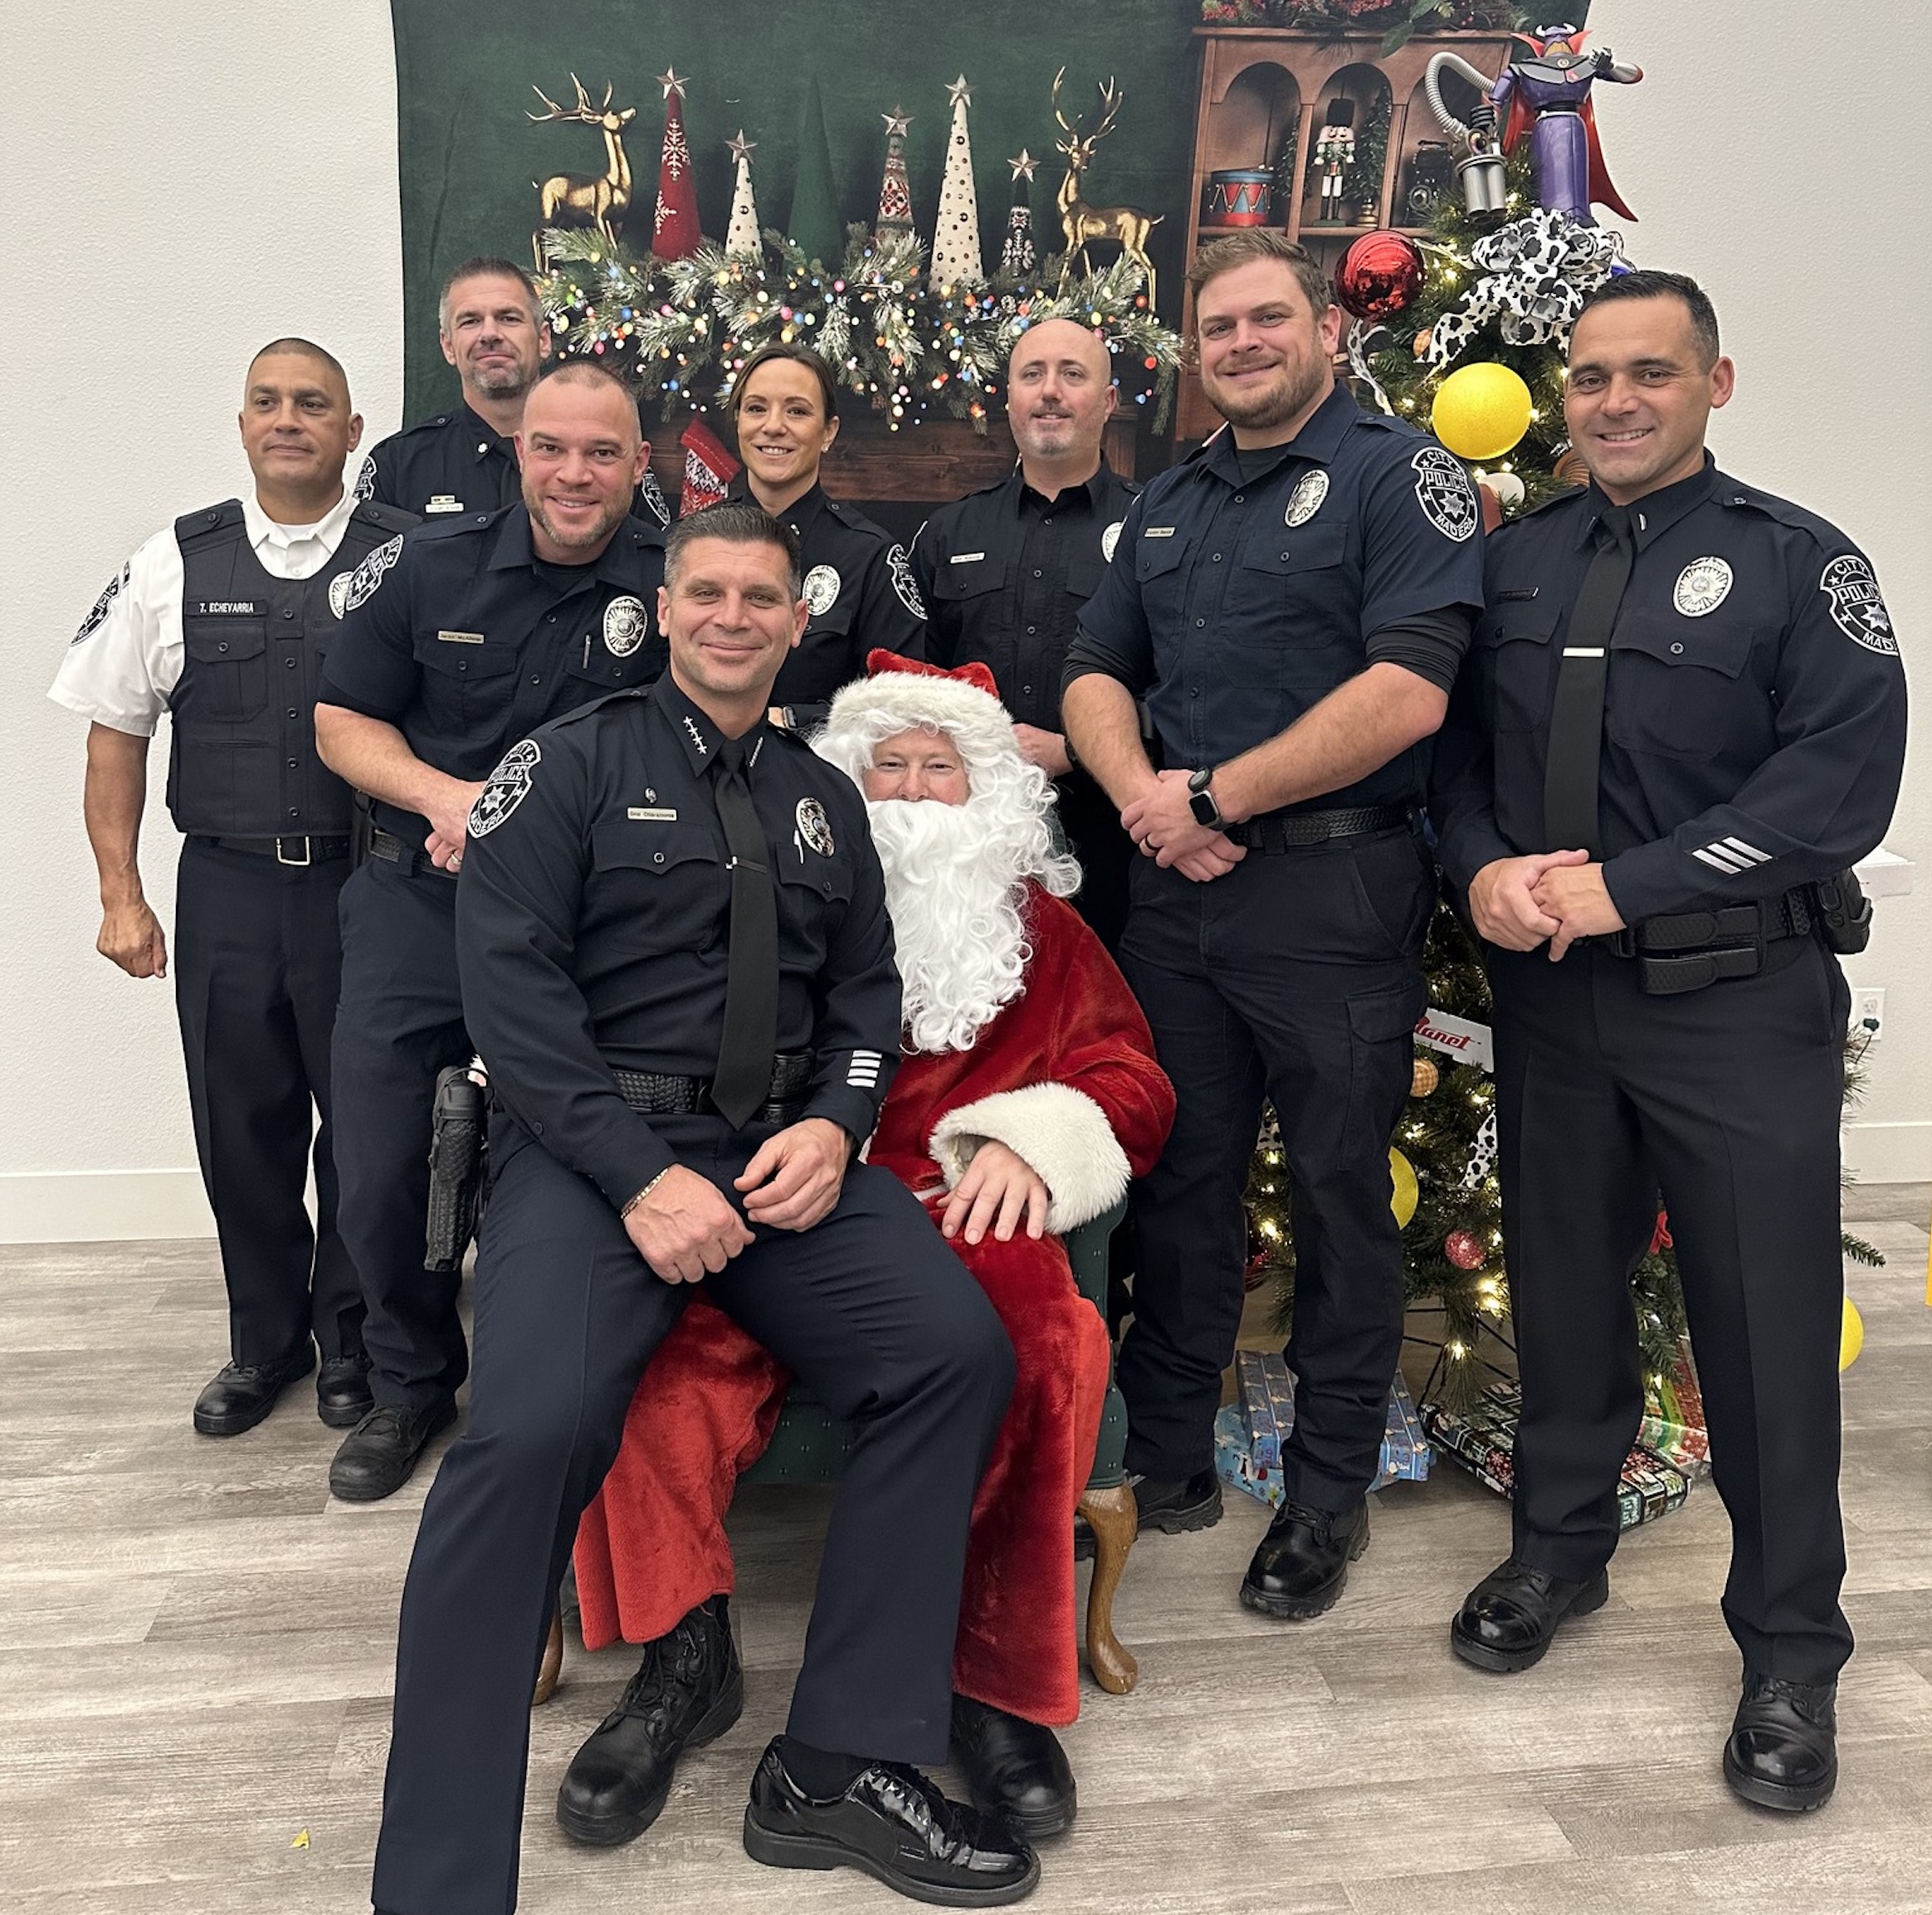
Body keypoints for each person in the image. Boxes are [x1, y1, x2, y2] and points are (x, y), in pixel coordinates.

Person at [370, 506, 1034, 1915]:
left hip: (777, 1155)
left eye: (762, 597)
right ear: (665, 609)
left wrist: (836, 1120)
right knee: (528, 1432)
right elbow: (512, 995)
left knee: (952, 1353)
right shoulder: (562, 765)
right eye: (707, 593)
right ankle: (435, 1879)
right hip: (586, 1152)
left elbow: (862, 993)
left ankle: (838, 1765)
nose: (734, 615)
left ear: (798, 620)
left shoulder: (822, 794)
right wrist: (634, 1172)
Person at [1429, 270, 1907, 1812]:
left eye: (1648, 371)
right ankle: (1556, 1554)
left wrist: (1612, 889)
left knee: (1762, 1335)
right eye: (1587, 376)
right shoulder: (1517, 565)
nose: (1612, 399)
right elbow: (1451, 761)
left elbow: (1831, 789)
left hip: (1733, 1007)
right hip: (1556, 1007)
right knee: (1560, 1287)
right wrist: (1481, 869)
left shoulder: (1795, 564)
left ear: (1714, 381)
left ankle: (1787, 1651)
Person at [566, 651, 1174, 1849]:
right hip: (777, 1191)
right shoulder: (766, 903)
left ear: (987, 789)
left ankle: (988, 1680)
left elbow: (1133, 1075)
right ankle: (682, 1656)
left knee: (1047, 1341)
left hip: (955, 1202)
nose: (906, 790)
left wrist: (1030, 1140)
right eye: (883, 765)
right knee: (649, 1358)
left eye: (936, 767)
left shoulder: (1043, 933)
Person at [1062, 230, 1484, 1617]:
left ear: (1321, 327)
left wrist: (1210, 795)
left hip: (1327, 892)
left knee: (1336, 1193)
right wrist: (1142, 800)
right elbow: (1090, 677)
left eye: (1265, 319)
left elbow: (1408, 691)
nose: (1239, 343)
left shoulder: (1392, 476)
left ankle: (1323, 1493)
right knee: (1174, 1180)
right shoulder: (1171, 500)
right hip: (1174, 900)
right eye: (1217, 327)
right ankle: (1171, 1449)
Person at [313, 358, 666, 1503]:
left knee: (567, 1162)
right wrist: (445, 799)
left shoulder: (671, 588)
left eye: (602, 453)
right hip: (418, 899)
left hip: (585, 924)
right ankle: (412, 1383)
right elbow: (340, 723)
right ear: (519, 449)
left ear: (638, 466)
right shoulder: (425, 564)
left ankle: (542, 1399)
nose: (574, 473)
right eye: (553, 447)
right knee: (375, 1167)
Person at [48, 339, 415, 1439]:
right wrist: (120, 894)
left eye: (315, 403)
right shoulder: (174, 561)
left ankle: (351, 1342)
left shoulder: (412, 559)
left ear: (355, 433)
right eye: (268, 402)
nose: (289, 418)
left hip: (371, 892)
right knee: (239, 1125)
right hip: (228, 892)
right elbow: (116, 734)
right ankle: (265, 1344)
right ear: (243, 424)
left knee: (367, 1130)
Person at [910, 317, 1141, 949]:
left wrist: (1079, 748)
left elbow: (1187, 681)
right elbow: (910, 685)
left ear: (1109, 401)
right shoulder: (947, 534)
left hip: (1119, 838)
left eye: (1073, 374)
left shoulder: (1157, 527)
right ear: (1007, 397)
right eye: (1032, 374)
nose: (1050, 391)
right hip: (967, 842)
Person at [358, 256, 671, 528]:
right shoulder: (398, 465)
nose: (490, 334)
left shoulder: (609, 459)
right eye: (470, 321)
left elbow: (655, 564)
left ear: (543, 339)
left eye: (508, 318)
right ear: (448, 346)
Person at [720, 343, 925, 731]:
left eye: (797, 411)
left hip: (817, 771)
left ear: (828, 432)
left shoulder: (869, 557)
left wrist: (792, 720)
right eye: (756, 408)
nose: (773, 425)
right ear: (738, 421)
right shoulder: (690, 543)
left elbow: (903, 699)